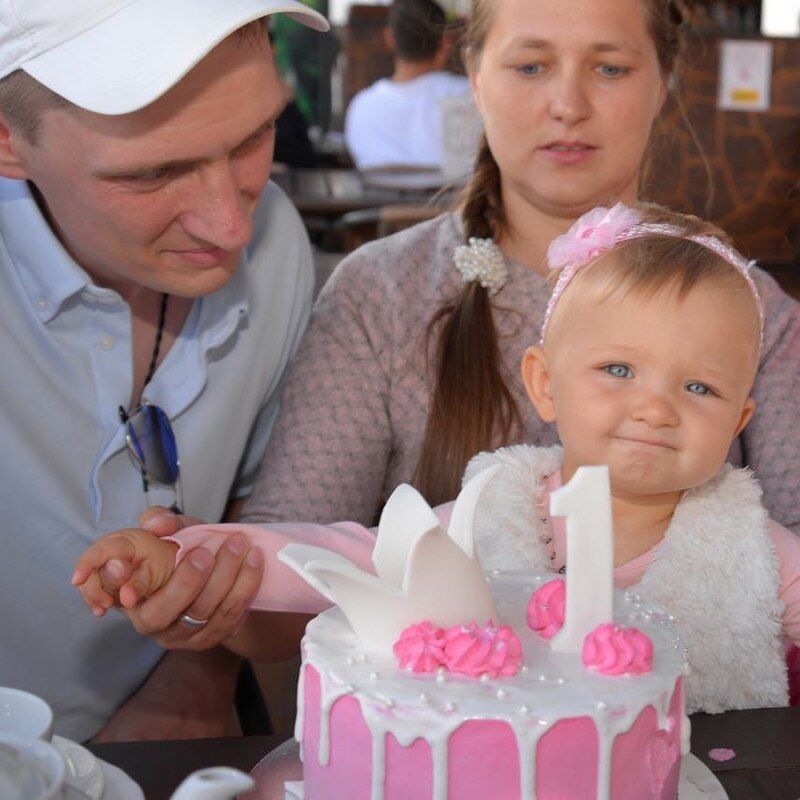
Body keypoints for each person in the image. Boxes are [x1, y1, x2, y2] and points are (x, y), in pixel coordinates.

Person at [72, 202, 800, 713]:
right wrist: (196, 551)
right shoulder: (496, 512)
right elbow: (344, 555)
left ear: (739, 418)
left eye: (699, 386)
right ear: (544, 384)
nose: (655, 407)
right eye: (618, 370)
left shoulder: (758, 554)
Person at [240, 0, 800, 534]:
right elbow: (292, 551)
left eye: (610, 68)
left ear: (664, 81)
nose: (568, 105)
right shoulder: (380, 292)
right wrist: (215, 574)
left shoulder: (754, 313)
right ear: (475, 76)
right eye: (530, 66)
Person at [0, 0, 328, 743]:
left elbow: (259, 508)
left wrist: (195, 679)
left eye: (254, 135)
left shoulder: (277, 248)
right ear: (8, 140)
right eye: (151, 174)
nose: (231, 226)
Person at [344, 0, 471, 169]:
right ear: (445, 40)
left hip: (378, 195)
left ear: (389, 38)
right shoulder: (470, 96)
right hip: (453, 196)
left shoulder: (361, 106)